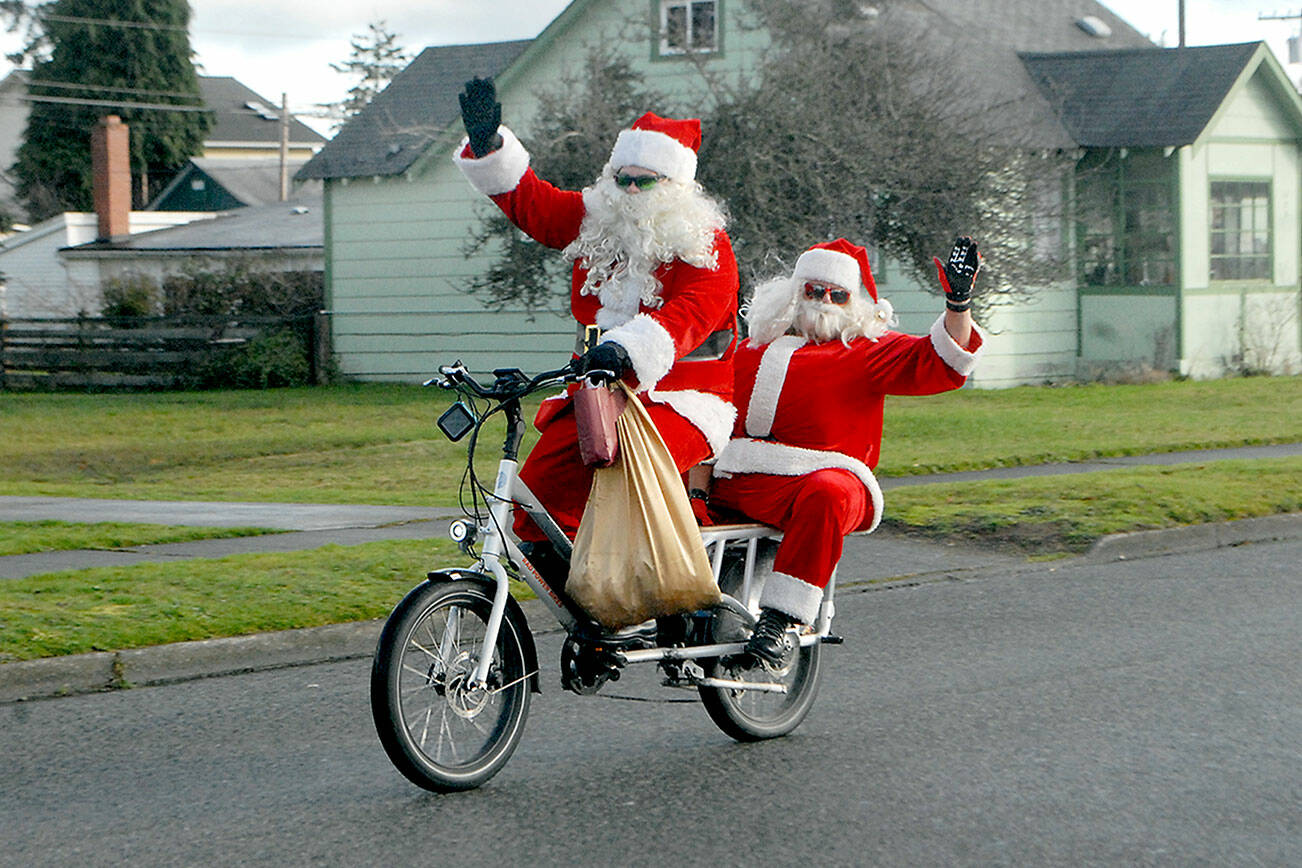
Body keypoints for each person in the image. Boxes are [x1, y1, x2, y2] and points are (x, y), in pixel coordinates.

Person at [453, 78, 739, 578]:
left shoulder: (704, 245)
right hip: (597, 394)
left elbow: (692, 312)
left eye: (643, 181)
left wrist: (630, 349)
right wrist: (488, 147)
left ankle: (654, 589)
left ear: (674, 187)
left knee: (625, 469)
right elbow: (535, 206)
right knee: (536, 493)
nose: (628, 190)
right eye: (621, 177)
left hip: (685, 400)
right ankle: (588, 615)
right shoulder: (597, 223)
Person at [708, 236, 985, 664]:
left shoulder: (868, 349)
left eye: (837, 295)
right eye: (814, 291)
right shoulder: (749, 349)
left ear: (853, 301)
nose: (824, 302)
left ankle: (780, 619)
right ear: (794, 293)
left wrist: (958, 303)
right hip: (742, 482)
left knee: (828, 492)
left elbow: (942, 360)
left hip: (824, 483)